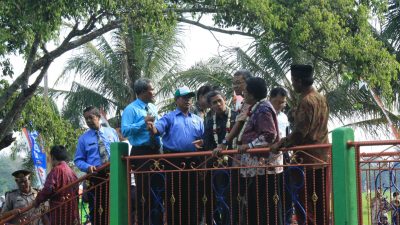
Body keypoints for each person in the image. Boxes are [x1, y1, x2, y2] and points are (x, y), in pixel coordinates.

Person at [271, 64, 329, 225]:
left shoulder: (306, 101)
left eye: (293, 81)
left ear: (298, 81)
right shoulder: (320, 98)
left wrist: (281, 144)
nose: (293, 84)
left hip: (307, 161)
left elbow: (299, 133)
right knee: (321, 205)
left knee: (306, 205)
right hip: (322, 157)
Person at [148, 86, 204, 225]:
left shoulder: (197, 119)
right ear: (176, 100)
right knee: (174, 196)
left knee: (193, 196)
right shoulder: (169, 117)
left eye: (190, 97)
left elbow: (205, 139)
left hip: (194, 161)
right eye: (184, 97)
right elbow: (157, 129)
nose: (188, 100)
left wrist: (203, 142)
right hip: (174, 161)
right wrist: (151, 127)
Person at [236, 77, 280, 225]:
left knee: (264, 209)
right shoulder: (256, 107)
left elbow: (269, 134)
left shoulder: (263, 109)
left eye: (246, 91)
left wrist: (249, 146)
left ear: (253, 94)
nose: (243, 93)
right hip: (256, 167)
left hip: (262, 167)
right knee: (255, 207)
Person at [121, 78, 161, 225]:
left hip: (156, 151)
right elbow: (125, 130)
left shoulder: (153, 107)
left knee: (158, 189)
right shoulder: (130, 109)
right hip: (141, 152)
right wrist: (142, 122)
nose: (154, 92)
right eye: (152, 89)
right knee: (144, 192)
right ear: (143, 91)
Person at [74, 106, 119, 225]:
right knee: (97, 210)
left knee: (114, 207)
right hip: (95, 177)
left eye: (90, 117)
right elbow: (78, 160)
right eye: (86, 119)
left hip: (113, 175)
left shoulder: (112, 132)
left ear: (98, 117)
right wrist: (87, 167)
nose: (88, 121)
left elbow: (119, 152)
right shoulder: (83, 139)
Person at [202, 90, 237, 225]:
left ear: (225, 99)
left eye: (219, 101)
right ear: (210, 106)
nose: (217, 104)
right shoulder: (210, 122)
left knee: (235, 198)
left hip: (235, 164)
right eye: (214, 103)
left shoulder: (236, 117)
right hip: (218, 167)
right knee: (219, 198)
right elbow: (207, 143)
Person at [34, 145, 79, 225]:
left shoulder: (56, 170)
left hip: (60, 213)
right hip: (73, 212)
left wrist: (37, 201)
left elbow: (48, 189)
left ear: (53, 157)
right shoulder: (72, 173)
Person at [215, 69, 252, 151]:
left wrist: (224, 143)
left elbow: (239, 124)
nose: (235, 86)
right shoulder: (244, 102)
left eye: (238, 83)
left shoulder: (252, 102)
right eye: (233, 83)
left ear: (248, 83)